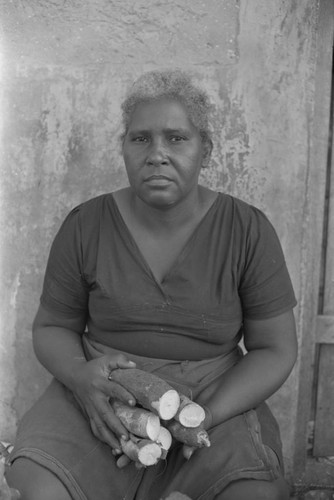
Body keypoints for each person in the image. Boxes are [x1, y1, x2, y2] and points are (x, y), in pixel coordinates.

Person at [6, 70, 298, 500]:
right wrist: (83, 381)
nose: (157, 154)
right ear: (124, 148)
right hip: (103, 394)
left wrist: (203, 416)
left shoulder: (246, 230)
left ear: (206, 150)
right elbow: (52, 327)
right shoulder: (87, 225)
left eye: (177, 138)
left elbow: (276, 349)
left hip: (213, 393)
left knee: (253, 493)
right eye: (140, 139)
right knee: (42, 486)